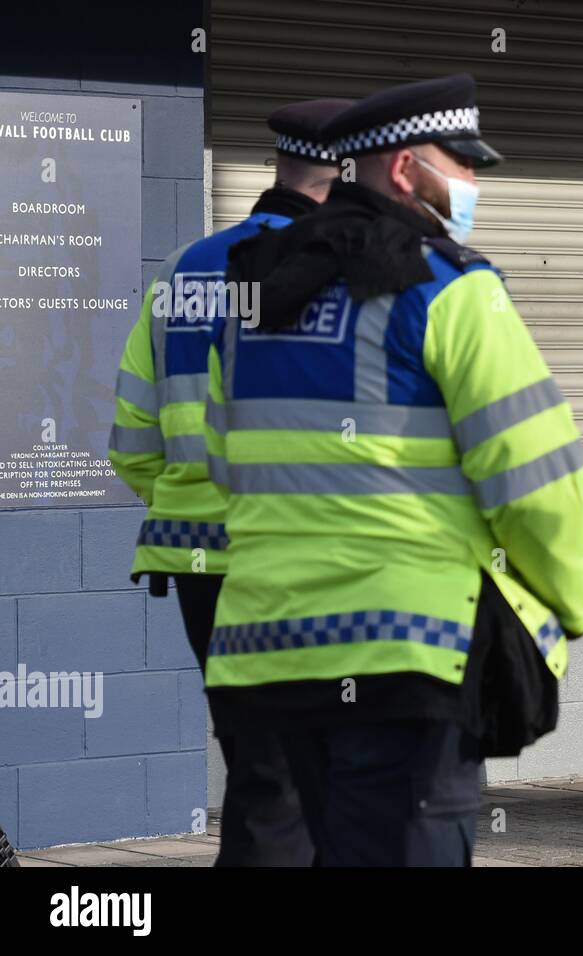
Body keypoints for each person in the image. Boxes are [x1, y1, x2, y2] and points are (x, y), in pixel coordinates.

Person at [203, 73, 583, 866]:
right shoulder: (451, 291)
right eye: (463, 165)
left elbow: (223, 460)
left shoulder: (254, 296)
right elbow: (533, 475)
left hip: (269, 656)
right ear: (406, 169)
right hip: (405, 657)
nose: (474, 184)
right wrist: (571, 602)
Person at [107, 99, 352, 865]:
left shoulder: (183, 270)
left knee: (260, 762)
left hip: (198, 562)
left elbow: (132, 438)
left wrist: (189, 500)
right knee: (305, 782)